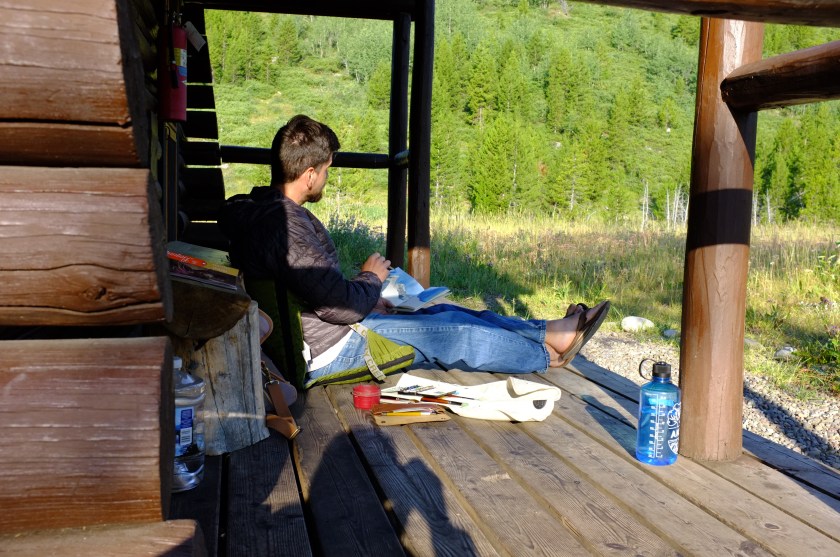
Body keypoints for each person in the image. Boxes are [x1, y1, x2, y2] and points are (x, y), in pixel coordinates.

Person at [219, 115, 609, 383]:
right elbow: (338, 307)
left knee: (444, 312)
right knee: (453, 335)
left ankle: (550, 331)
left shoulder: (261, 211)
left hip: (328, 330)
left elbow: (316, 291)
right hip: (333, 347)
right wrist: (371, 278)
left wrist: (368, 296)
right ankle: (543, 354)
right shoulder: (286, 225)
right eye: (325, 171)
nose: (325, 179)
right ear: (309, 174)